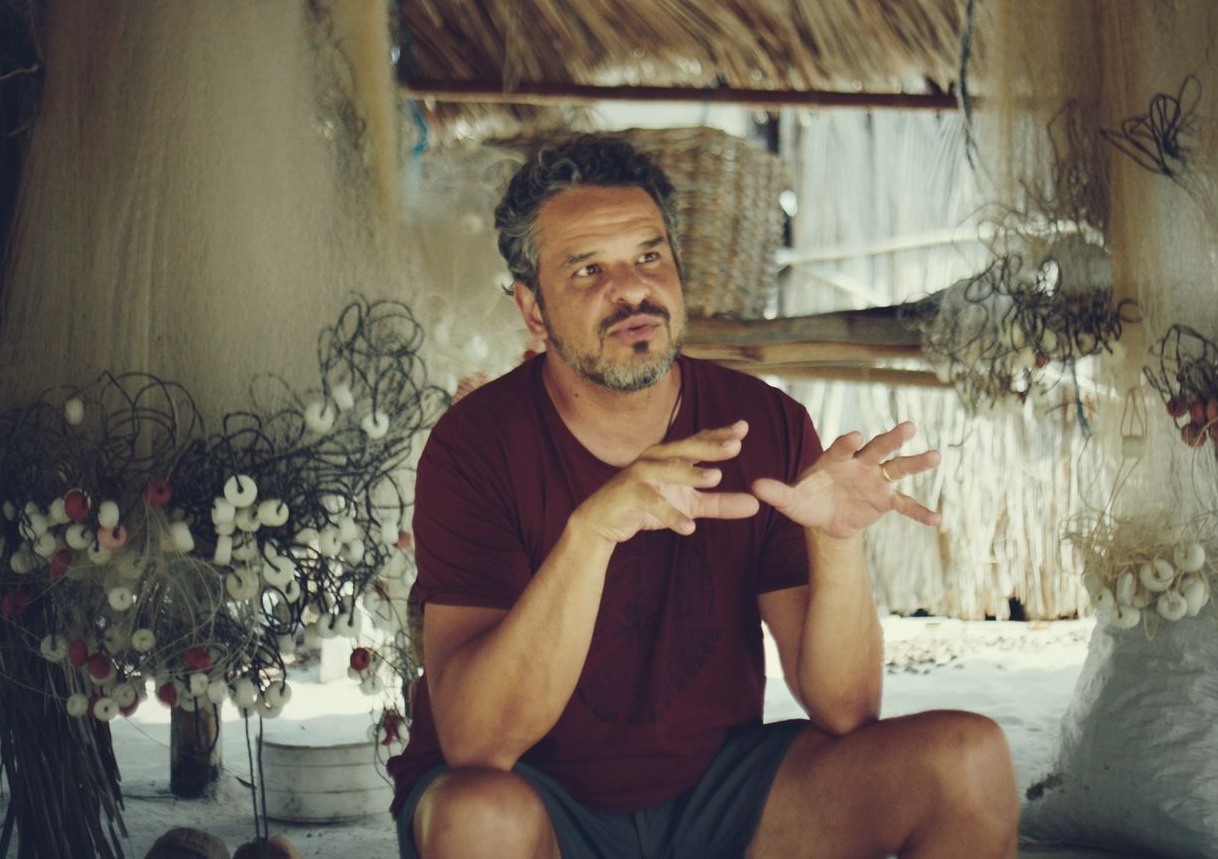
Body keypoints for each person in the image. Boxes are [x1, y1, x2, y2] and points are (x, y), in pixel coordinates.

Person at [388, 134, 1018, 858]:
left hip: (719, 796)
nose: (631, 289)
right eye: (588, 268)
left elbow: (848, 711)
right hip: (541, 803)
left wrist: (837, 543)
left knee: (968, 761)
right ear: (533, 310)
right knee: (476, 818)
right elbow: (478, 743)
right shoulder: (476, 444)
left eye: (649, 256)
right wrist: (590, 534)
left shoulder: (763, 423)